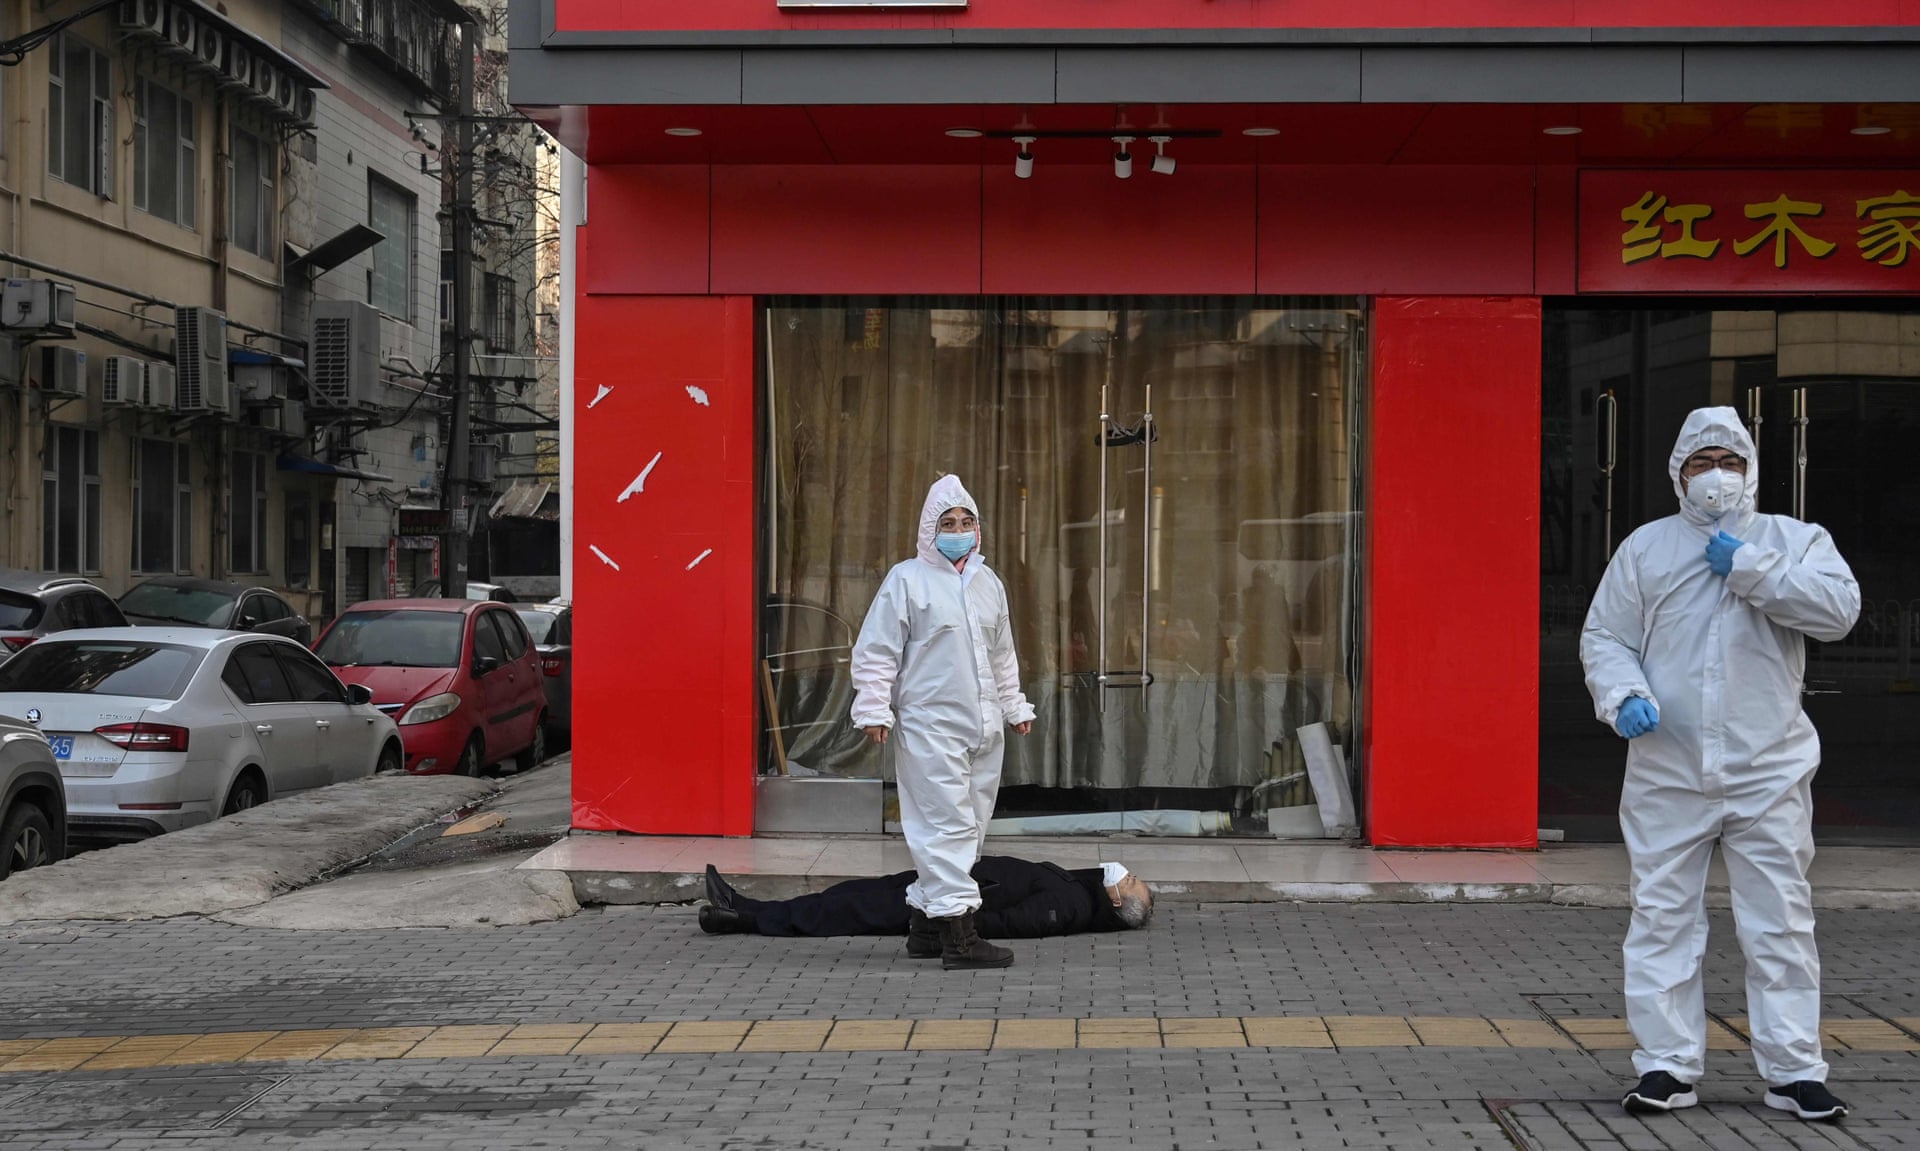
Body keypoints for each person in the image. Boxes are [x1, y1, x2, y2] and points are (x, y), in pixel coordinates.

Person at [1581, 407, 1860, 1123]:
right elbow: (1606, 636)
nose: (1716, 474)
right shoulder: (1646, 548)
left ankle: (1794, 1070)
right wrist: (1623, 694)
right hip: (1668, 767)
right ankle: (1666, 1065)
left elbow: (1839, 612)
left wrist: (1750, 568)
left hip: (1769, 768)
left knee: (1780, 921)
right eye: (1701, 462)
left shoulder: (1792, 540)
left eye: (1729, 461)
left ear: (1751, 469)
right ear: (1678, 474)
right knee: (1662, 917)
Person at [851, 475, 1036, 970]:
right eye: (947, 523)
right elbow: (878, 649)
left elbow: (1002, 654)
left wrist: (1014, 705)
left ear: (978, 528)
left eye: (965, 522)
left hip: (983, 726)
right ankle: (960, 938)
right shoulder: (907, 580)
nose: (958, 531)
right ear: (929, 531)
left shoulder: (987, 583)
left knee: (969, 826)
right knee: (945, 826)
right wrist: (874, 707)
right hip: (930, 724)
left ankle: (925, 927)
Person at [696, 859, 1154, 943]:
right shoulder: (1082, 890)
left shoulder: (1072, 907)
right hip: (944, 881)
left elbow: (1017, 922)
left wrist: (952, 923)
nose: (1124, 873)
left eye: (1130, 880)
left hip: (942, 901)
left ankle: (740, 917)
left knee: (841, 912)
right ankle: (744, 907)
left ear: (1118, 902)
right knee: (848, 895)